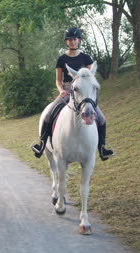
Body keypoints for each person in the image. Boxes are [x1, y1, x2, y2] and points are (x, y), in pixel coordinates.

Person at [31, 27, 114, 161]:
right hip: (67, 90)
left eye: (74, 39)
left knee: (102, 119)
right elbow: (58, 80)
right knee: (47, 115)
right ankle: (41, 144)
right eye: (69, 40)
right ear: (66, 42)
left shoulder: (86, 58)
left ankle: (102, 148)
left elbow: (89, 78)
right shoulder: (61, 59)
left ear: (79, 40)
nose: (72, 42)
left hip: (83, 93)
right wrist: (61, 90)